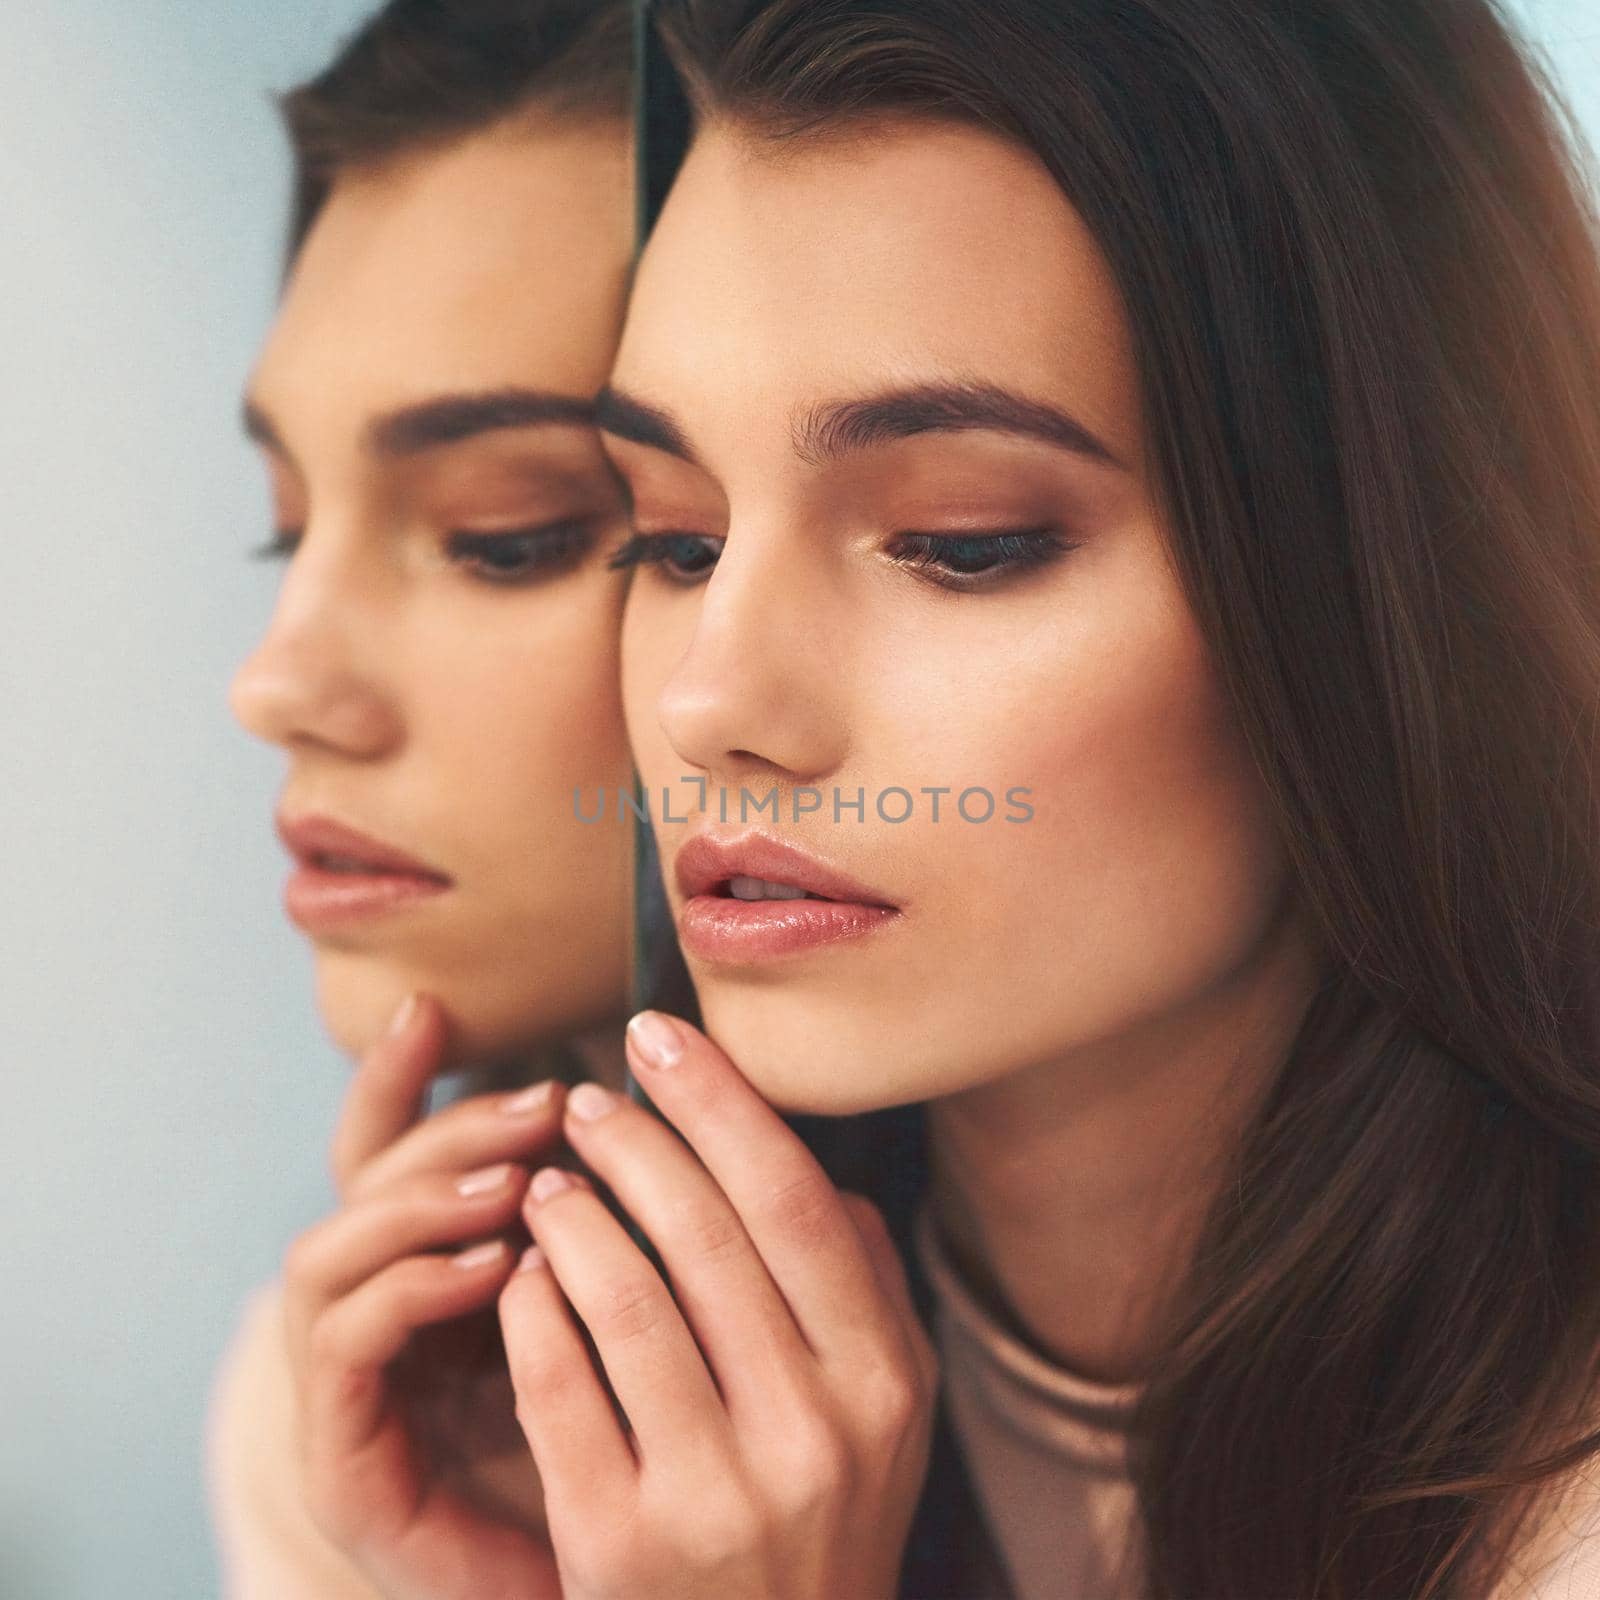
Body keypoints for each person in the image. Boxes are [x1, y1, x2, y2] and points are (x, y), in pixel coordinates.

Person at [599, 0, 1600, 1595]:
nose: (713, 703)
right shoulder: (533, 1432)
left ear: (1375, 595)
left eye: (963, 540)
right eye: (674, 538)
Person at [205, 1, 639, 1593]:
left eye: (500, 532)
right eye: (283, 525)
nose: (275, 687)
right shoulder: (366, 1424)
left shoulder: (1458, 1481)